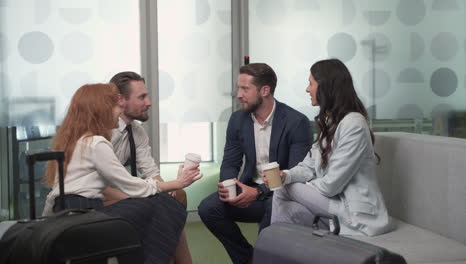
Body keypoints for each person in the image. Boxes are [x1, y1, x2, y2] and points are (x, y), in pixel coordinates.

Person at [42, 83, 202, 264]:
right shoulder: (96, 143)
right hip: (86, 210)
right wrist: (177, 182)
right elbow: (131, 185)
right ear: (101, 110)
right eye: (116, 105)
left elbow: (61, 192)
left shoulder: (76, 140)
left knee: (162, 203)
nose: (120, 110)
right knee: (161, 204)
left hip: (68, 209)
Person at [198, 63, 312, 264]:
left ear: (265, 90)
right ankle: (248, 258)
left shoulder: (296, 122)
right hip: (249, 190)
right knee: (209, 208)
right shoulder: (237, 120)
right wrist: (230, 188)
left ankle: (263, 258)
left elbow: (296, 173)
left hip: (281, 194)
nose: (238, 95)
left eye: (245, 89)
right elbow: (230, 162)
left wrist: (259, 192)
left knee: (272, 209)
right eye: (238, 88)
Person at [265, 58, 393, 236]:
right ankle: (282, 252)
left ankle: (271, 249)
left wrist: (297, 184)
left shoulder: (354, 124)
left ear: (325, 86)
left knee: (283, 189)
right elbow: (308, 166)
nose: (307, 89)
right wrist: (286, 175)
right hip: (334, 206)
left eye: (311, 84)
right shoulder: (331, 123)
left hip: (357, 215)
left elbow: (331, 185)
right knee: (289, 207)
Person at [107, 71, 193, 264]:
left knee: (177, 196)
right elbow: (97, 187)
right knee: (159, 206)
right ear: (121, 100)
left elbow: (151, 172)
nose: (149, 102)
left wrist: (167, 188)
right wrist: (138, 196)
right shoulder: (102, 132)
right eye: (142, 97)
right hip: (97, 197)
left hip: (121, 192)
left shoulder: (136, 131)